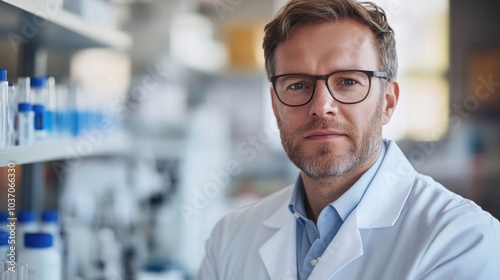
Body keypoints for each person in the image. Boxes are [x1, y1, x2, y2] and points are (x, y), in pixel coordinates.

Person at [197, 0, 500, 279]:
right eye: (298, 85)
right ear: (275, 105)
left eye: (348, 81)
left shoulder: (461, 238)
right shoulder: (230, 238)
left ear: (388, 102)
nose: (320, 106)